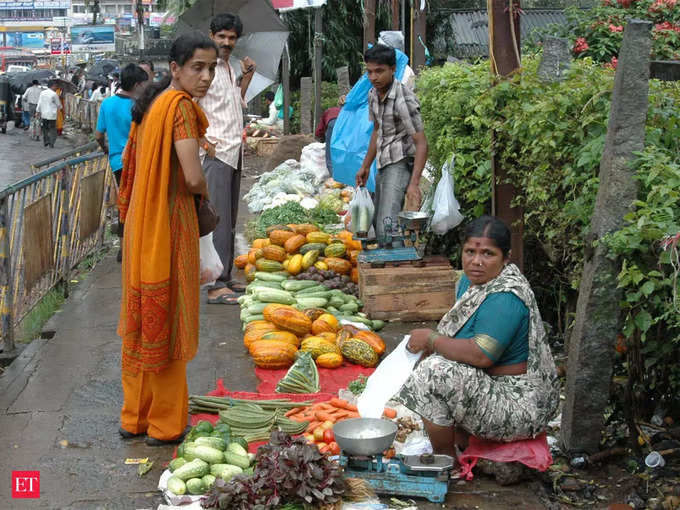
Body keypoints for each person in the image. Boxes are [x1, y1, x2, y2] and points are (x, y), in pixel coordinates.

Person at [117, 31, 217, 446]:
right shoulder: (180, 109)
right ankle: (166, 424)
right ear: (175, 69)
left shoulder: (152, 105)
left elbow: (130, 166)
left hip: (142, 225)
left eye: (211, 68)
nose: (207, 76)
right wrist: (205, 193)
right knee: (169, 321)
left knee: (143, 323)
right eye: (198, 67)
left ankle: (133, 418)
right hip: (169, 226)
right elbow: (192, 177)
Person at [395, 216, 559, 458]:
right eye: (470, 251)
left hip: (517, 404)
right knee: (431, 363)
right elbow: (459, 336)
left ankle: (445, 461)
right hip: (489, 387)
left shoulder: (506, 296)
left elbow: (481, 355)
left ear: (506, 257)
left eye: (488, 254)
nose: (476, 262)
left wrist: (432, 340)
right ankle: (462, 439)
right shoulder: (469, 282)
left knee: (434, 373)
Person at [199, 13, 256, 305]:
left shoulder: (230, 68)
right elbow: (188, 106)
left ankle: (226, 276)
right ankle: (215, 284)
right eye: (221, 36)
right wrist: (204, 143)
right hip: (216, 153)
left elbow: (236, 103)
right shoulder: (204, 69)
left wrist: (246, 78)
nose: (226, 42)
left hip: (234, 152)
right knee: (216, 220)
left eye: (232, 38)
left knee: (230, 219)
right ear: (211, 36)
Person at [355, 44, 428, 240]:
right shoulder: (373, 95)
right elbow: (377, 131)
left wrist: (414, 183)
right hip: (383, 163)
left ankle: (394, 267)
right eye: (369, 72)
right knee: (379, 221)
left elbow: (421, 143)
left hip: (401, 163)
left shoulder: (403, 98)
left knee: (388, 225)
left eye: (379, 71)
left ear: (393, 69)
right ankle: (387, 262)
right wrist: (365, 166)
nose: (373, 77)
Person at [95, 63, 149, 184]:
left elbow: (98, 135)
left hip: (117, 163)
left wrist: (105, 148)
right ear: (136, 85)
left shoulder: (106, 104)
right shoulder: (139, 106)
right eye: (144, 85)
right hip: (138, 162)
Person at [315, 101, 342, 173]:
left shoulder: (329, 110)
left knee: (329, 155)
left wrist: (322, 138)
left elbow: (319, 130)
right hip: (344, 125)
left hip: (333, 123)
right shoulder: (346, 111)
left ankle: (334, 177)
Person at [36, 80, 62, 148]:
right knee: (52, 128)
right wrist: (61, 108)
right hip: (52, 114)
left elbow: (39, 103)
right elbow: (59, 105)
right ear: (52, 86)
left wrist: (37, 111)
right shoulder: (54, 94)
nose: (56, 87)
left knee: (45, 128)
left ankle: (46, 141)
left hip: (44, 114)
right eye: (56, 86)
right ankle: (51, 142)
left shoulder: (42, 93)